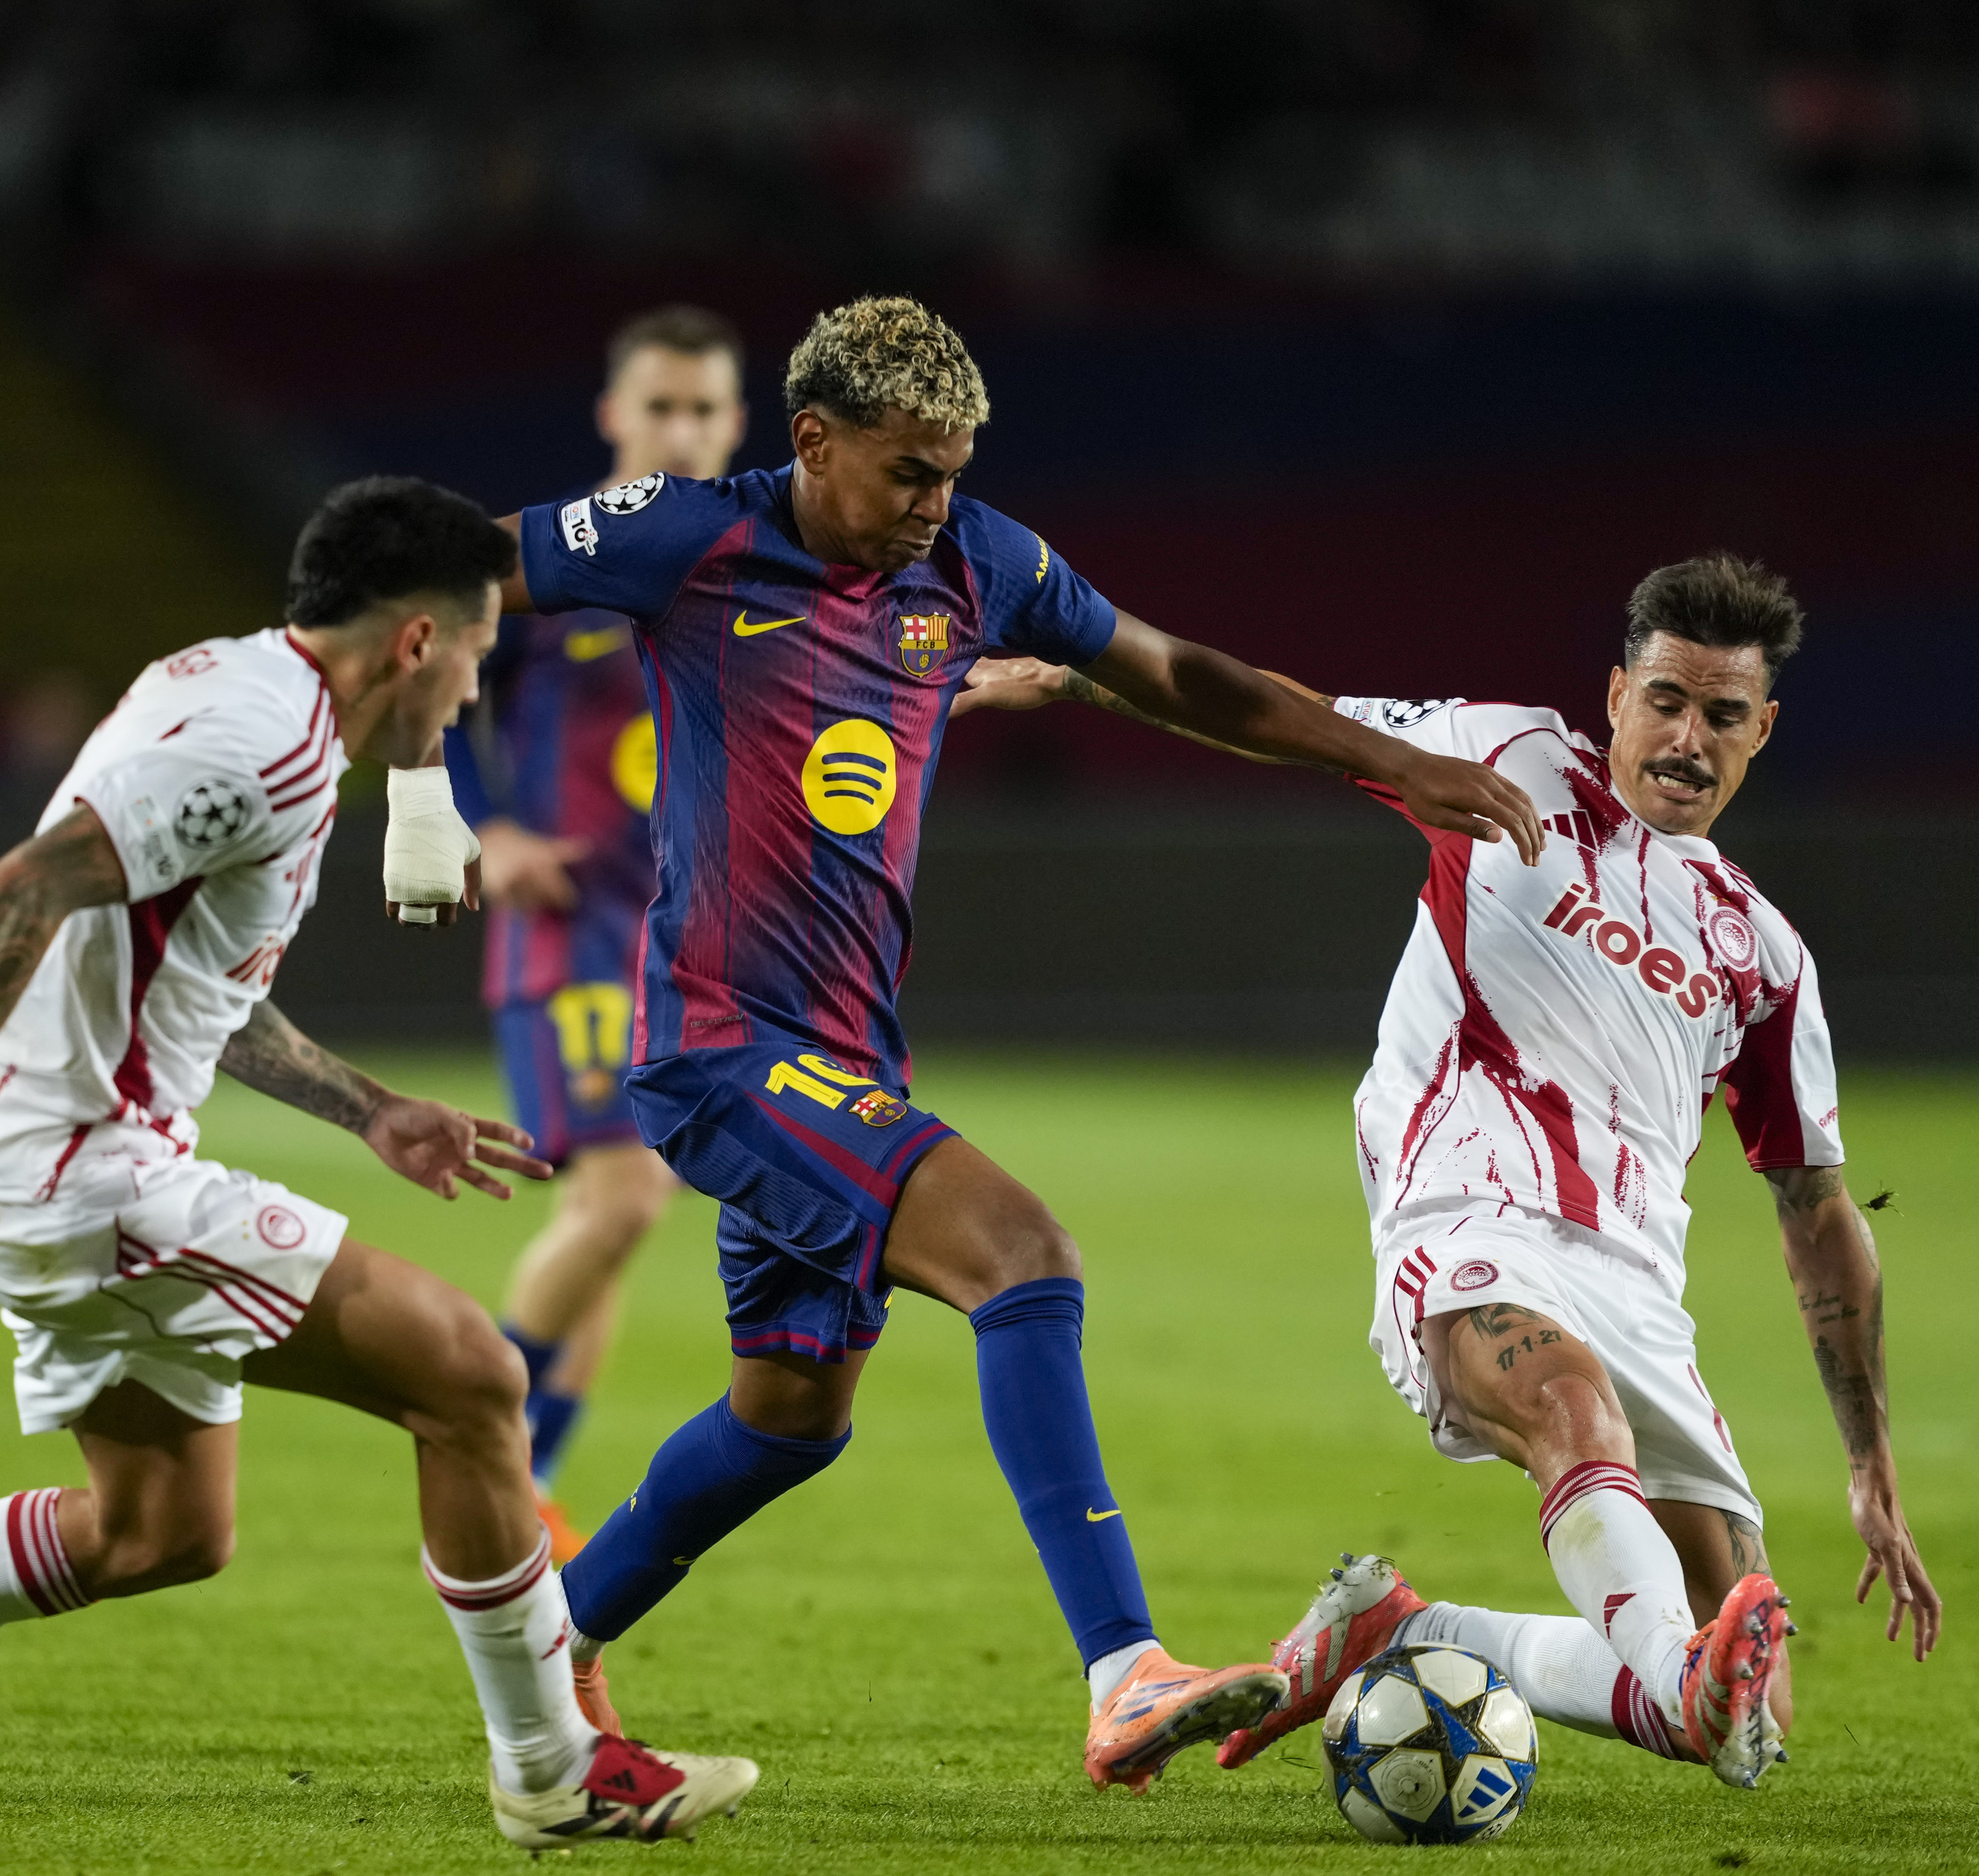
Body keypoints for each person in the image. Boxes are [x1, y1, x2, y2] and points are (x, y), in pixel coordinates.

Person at [381, 296, 1545, 1790]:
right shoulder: (689, 538)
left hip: (846, 1058)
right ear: (811, 442)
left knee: (788, 1420)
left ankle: (553, 1649)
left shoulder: (977, 558)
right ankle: (1125, 1669)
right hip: (720, 1048)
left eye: (952, 471)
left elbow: (1175, 670)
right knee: (1023, 1253)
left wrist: (1389, 762)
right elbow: (436, 570)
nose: (937, 504)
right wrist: (422, 791)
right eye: (908, 471)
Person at [0, 478, 760, 1848]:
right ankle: (553, 1766)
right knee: (473, 1376)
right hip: (86, 1169)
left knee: (158, 1530)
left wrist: (367, 1109)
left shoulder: (247, 695)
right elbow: (17, 888)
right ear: (419, 643)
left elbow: (196, 976)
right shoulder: (257, 745)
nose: (478, 688)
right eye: (481, 653)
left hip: (84, 1156)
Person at [965, 555, 1941, 1787]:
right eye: (1665, 700)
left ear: (1763, 729)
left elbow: (1815, 1207)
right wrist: (1075, 673)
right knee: (1569, 1408)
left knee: (1752, 1722)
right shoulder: (1509, 758)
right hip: (1469, 1212)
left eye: (1723, 714)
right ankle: (1665, 1670)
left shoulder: (1763, 952)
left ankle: (1402, 1635)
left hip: (1638, 1278)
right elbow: (1288, 711)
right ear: (1614, 694)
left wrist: (1868, 1465)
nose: (1687, 738)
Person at [443, 306, 747, 1557]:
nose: (680, 431)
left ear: (737, 426)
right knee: (620, 1200)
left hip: (686, 941)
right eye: (659, 407)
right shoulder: (548, 560)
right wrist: (483, 830)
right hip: (569, 926)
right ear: (614, 417)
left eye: (704, 410)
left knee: (627, 1213)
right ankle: (479, 1450)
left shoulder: (746, 560)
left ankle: (532, 1475)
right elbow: (439, 687)